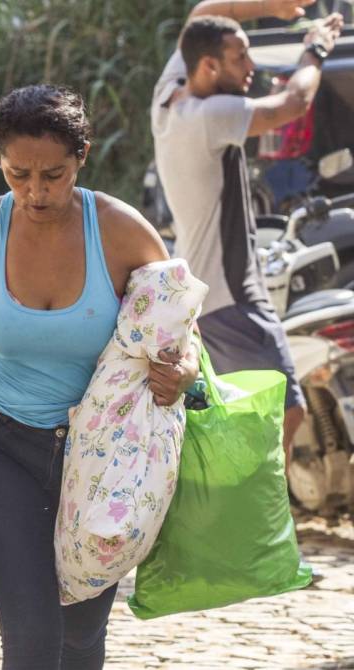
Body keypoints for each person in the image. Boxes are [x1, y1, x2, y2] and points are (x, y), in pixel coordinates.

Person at [0, 85, 197, 669]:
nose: (35, 191)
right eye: (18, 173)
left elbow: (180, 339)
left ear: (82, 157)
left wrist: (181, 375)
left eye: (53, 174)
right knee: (31, 637)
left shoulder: (124, 233)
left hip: (104, 460)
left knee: (80, 636)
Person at [151, 0, 343, 470]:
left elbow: (202, 11)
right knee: (285, 409)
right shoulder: (209, 114)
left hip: (204, 289)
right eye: (241, 58)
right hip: (232, 293)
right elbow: (293, 104)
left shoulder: (168, 95)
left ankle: (242, 491)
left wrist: (273, 7)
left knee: (240, 405)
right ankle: (258, 504)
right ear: (210, 65)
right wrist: (314, 49)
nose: (251, 66)